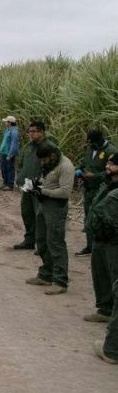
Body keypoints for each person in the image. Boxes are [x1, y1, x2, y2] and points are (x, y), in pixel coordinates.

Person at [23, 141, 75, 295]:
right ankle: (46, 274)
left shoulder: (66, 166)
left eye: (44, 160)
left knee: (55, 242)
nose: (42, 163)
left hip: (56, 207)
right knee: (42, 240)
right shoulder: (49, 163)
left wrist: (43, 191)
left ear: (52, 155)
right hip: (43, 205)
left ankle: (60, 281)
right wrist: (36, 185)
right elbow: (47, 181)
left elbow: (65, 192)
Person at [87, 154, 118, 364]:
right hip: (102, 239)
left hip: (111, 241)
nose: (107, 166)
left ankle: (112, 349)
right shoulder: (108, 184)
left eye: (112, 163)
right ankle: (105, 308)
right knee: (102, 274)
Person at [74, 129, 118, 257]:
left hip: (102, 189)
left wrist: (94, 176)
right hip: (88, 188)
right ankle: (90, 246)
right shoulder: (91, 149)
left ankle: (101, 247)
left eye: (92, 143)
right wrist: (79, 170)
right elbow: (85, 163)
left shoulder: (111, 151)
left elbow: (111, 172)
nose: (90, 145)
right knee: (89, 218)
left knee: (101, 218)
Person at [13, 120, 51, 250]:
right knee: (26, 213)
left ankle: (42, 244)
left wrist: (43, 182)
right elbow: (21, 164)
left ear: (42, 132)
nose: (31, 134)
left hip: (40, 187)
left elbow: (53, 167)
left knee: (40, 215)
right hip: (27, 186)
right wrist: (20, 178)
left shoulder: (49, 147)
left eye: (34, 131)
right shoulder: (28, 147)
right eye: (30, 131)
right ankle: (29, 240)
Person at [0, 116, 20, 191]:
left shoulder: (14, 132)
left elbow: (14, 144)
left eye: (6, 122)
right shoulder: (8, 130)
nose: (5, 123)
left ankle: (10, 184)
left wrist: (10, 155)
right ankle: (5, 182)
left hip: (9, 153)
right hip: (4, 152)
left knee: (9, 168)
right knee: (3, 168)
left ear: (10, 123)